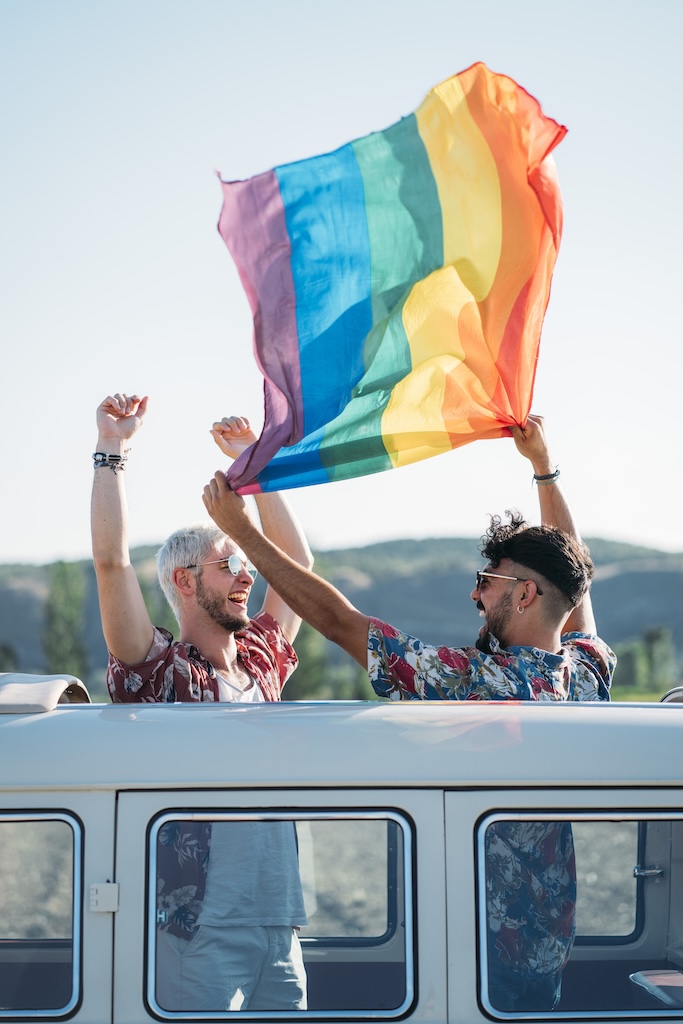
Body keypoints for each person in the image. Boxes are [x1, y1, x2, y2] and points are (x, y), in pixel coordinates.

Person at [201, 413, 617, 1012]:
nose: (476, 594)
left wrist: (242, 530)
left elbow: (344, 624)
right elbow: (574, 590)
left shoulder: (482, 681)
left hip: (476, 961)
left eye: (488, 580)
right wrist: (543, 469)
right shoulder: (585, 674)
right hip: (547, 950)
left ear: (524, 594)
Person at [91, 393, 314, 1012]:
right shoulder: (159, 668)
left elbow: (295, 565)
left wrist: (256, 462)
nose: (248, 576)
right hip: (197, 928)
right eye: (228, 565)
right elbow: (111, 563)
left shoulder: (263, 659)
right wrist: (113, 449)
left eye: (245, 566)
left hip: (281, 920)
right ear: (184, 581)